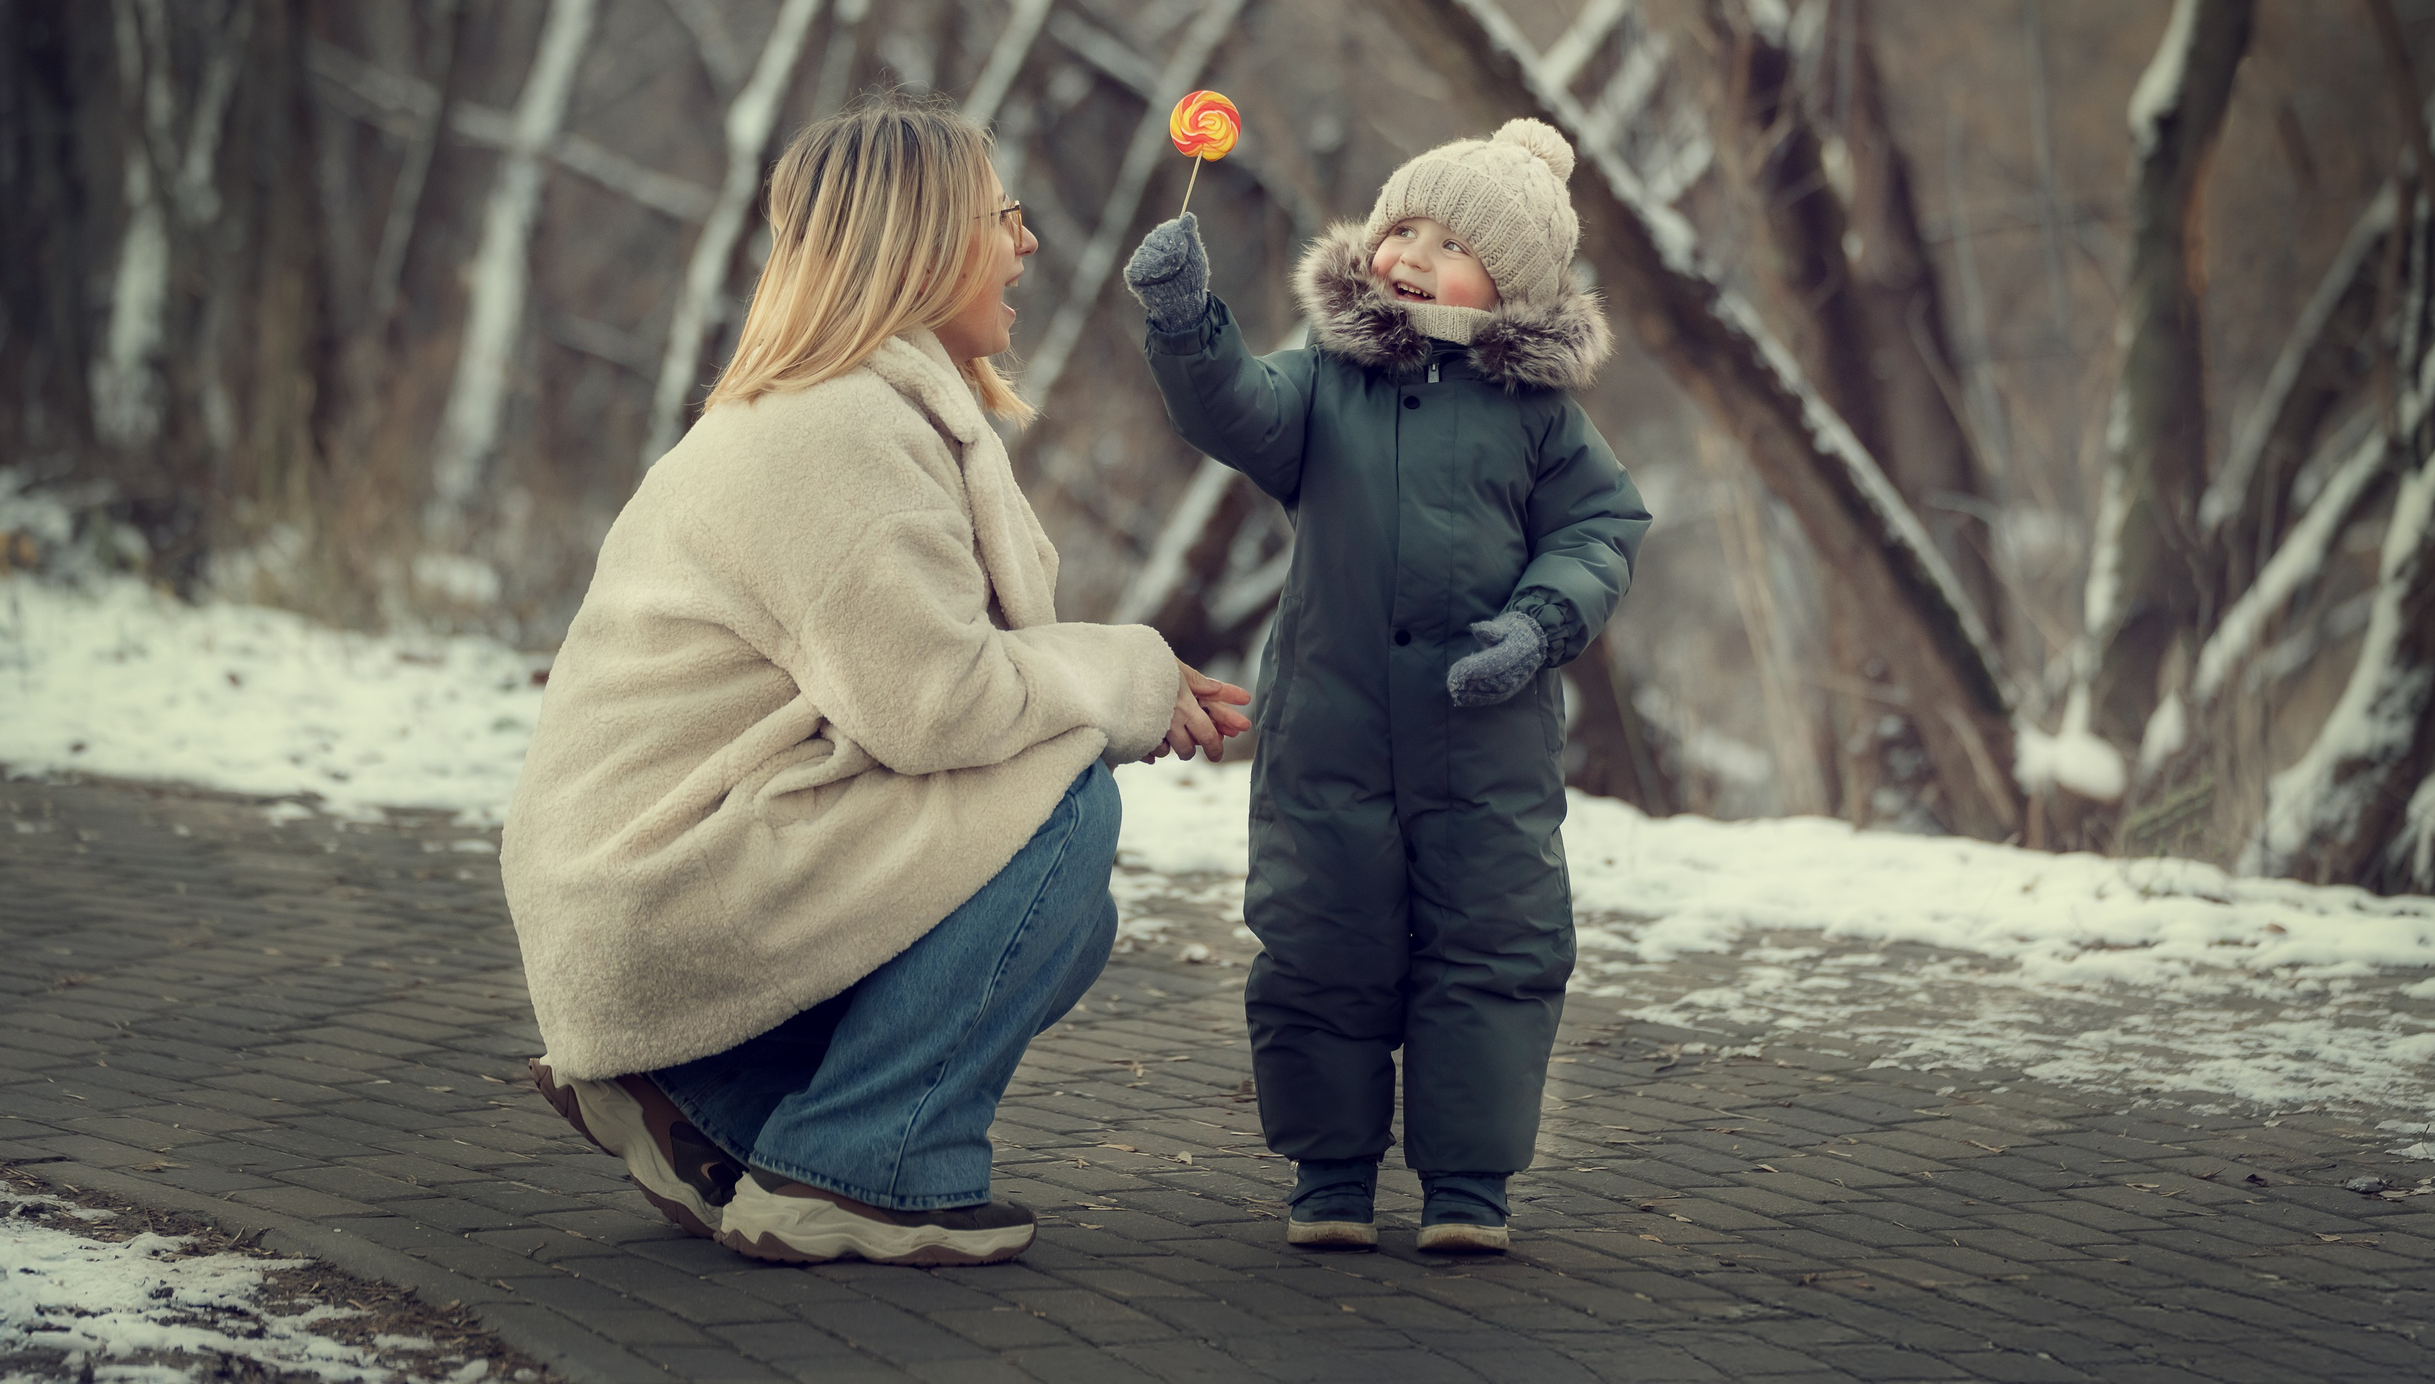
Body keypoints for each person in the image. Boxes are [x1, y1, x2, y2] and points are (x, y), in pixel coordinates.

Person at [501, 97, 1249, 1268]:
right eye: (1001, 216)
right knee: (1061, 810)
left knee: (1070, 919)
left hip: (668, 869)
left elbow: (923, 683)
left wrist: (1119, 684)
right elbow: (936, 707)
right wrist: (1122, 681)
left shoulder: (854, 409)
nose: (1027, 244)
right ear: (919, 238)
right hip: (658, 880)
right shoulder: (838, 428)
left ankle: (709, 1102)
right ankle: (861, 1169)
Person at [1120, 118, 1649, 1254]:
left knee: (1492, 951)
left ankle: (1467, 1187)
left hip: (1487, 747)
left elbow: (1601, 529)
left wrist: (1539, 623)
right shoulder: (1324, 384)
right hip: (1334, 738)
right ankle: (1330, 1174)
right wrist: (1185, 323)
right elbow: (1232, 408)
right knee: (1321, 942)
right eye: (1398, 224)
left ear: (1507, 285)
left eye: (1445, 241)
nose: (1406, 251)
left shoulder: (1542, 418)